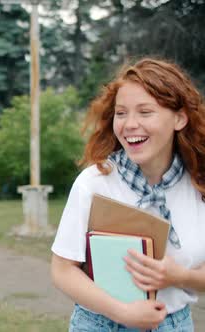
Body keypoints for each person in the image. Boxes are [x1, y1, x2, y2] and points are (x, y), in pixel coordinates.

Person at [51, 58, 205, 331]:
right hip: (100, 325)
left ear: (180, 118)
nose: (129, 124)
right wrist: (122, 312)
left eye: (145, 112)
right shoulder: (95, 182)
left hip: (176, 324)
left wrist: (177, 276)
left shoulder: (198, 184)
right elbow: (63, 270)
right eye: (121, 113)